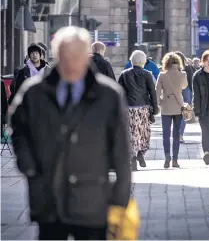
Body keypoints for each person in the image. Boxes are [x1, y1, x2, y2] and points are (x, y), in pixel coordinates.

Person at [9, 26, 131, 240]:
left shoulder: (108, 95)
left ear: (87, 56)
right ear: (57, 55)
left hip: (93, 200)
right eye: (65, 55)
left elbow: (121, 149)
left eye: (77, 55)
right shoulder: (35, 92)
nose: (71, 62)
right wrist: (29, 167)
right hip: (48, 198)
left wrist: (120, 198)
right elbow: (18, 131)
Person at [118, 50, 158, 171]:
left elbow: (119, 92)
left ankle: (133, 159)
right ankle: (141, 153)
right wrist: (155, 109)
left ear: (132, 60)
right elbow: (152, 92)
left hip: (129, 108)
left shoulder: (124, 74)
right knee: (144, 132)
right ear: (143, 61)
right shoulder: (147, 74)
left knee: (131, 134)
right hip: (144, 108)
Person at [156, 52, 187, 168]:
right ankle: (175, 160)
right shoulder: (182, 74)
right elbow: (184, 86)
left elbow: (157, 91)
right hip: (179, 106)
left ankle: (167, 156)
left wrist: (159, 103)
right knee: (176, 134)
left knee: (165, 134)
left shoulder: (162, 75)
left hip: (166, 106)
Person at [175, 51, 194, 143]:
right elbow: (191, 82)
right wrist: (192, 95)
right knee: (185, 113)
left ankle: (176, 133)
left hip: (175, 92)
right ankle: (180, 135)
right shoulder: (188, 68)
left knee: (175, 114)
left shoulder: (171, 69)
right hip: (186, 90)